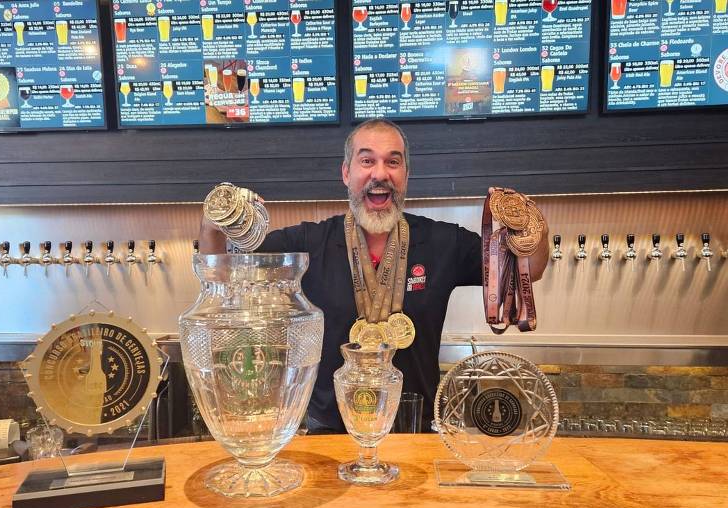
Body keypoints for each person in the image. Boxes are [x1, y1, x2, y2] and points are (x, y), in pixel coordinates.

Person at [200, 119, 549, 433]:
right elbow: (223, 276)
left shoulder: (445, 242)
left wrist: (534, 229)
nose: (380, 173)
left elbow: (528, 270)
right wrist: (213, 224)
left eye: (392, 161)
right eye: (367, 160)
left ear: (405, 175)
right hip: (331, 434)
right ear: (346, 173)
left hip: (414, 429)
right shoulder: (309, 242)